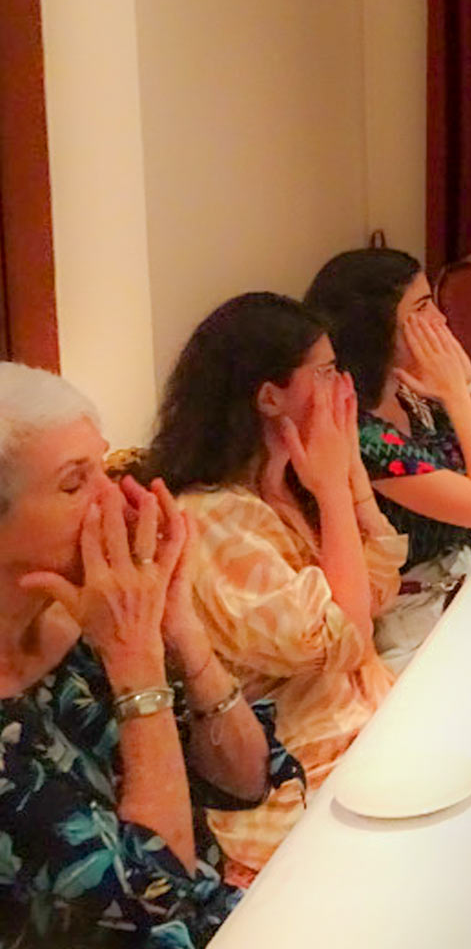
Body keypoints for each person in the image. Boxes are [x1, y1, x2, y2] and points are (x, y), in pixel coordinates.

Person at [0, 362, 301, 948]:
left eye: (103, 469)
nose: (114, 500)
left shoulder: (86, 620)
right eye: (74, 484)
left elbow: (247, 779)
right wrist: (134, 661)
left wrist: (178, 625)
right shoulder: (108, 639)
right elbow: (154, 899)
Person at [138, 293, 406, 876]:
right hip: (307, 773)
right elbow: (344, 638)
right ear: (268, 397)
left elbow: (380, 585)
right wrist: (333, 490)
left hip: (367, 723)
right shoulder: (213, 518)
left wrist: (347, 477)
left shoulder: (282, 484)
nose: (343, 389)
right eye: (326, 372)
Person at [305, 248, 471, 670]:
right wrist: (456, 394)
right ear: (375, 326)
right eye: (422, 308)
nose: (441, 320)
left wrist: (470, 385)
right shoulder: (360, 433)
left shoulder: (411, 395)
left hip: (463, 585)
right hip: (410, 620)